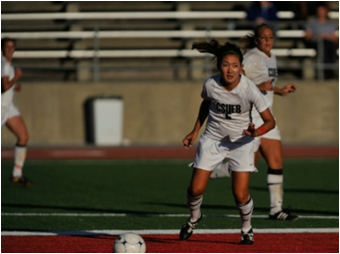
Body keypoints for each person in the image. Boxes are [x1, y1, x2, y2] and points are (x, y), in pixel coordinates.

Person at [179, 39, 276, 245]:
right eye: (225, 65)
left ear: (241, 67)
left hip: (241, 142)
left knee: (240, 195)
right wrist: (195, 130)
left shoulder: (249, 89)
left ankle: (246, 228)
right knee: (195, 189)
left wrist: (256, 132)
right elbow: (206, 104)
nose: (230, 70)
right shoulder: (210, 85)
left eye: (234, 65)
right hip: (213, 139)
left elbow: (270, 121)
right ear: (219, 66)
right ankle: (194, 218)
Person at [210, 24, 299, 221]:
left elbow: (266, 85)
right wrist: (259, 86)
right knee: (246, 165)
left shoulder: (270, 56)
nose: (267, 41)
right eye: (263, 37)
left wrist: (280, 90)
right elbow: (236, 80)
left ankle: (276, 210)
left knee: (276, 163)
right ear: (256, 39)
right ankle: (211, 170)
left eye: (271, 37)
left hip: (267, 117)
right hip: (251, 118)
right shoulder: (251, 57)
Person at [1, 37, 33, 187]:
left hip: (8, 107)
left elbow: (7, 85)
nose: (9, 50)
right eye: (6, 47)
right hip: (1, 108)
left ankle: (16, 174)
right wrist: (17, 78)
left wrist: (15, 86)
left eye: (12, 47)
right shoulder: (3, 64)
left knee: (23, 136)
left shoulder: (8, 65)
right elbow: (4, 86)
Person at [303, 3, 339, 79]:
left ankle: (329, 70)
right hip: (315, 42)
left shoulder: (330, 23)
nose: (321, 12)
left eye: (322, 10)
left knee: (330, 47)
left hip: (328, 43)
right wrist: (318, 36)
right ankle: (325, 72)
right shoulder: (311, 21)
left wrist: (327, 36)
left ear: (326, 11)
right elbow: (308, 36)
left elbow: (335, 38)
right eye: (319, 11)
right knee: (322, 46)